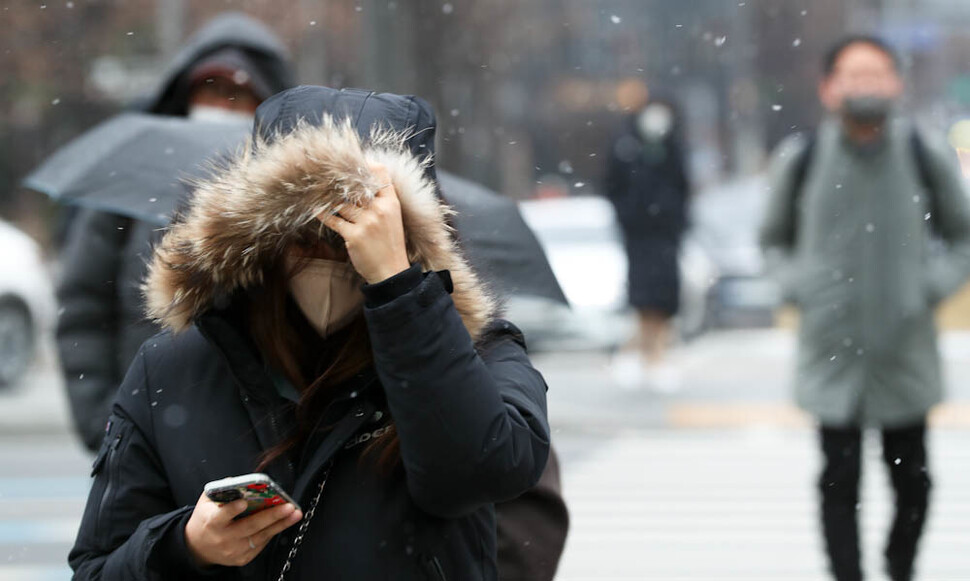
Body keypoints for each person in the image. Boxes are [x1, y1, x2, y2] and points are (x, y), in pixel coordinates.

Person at [68, 85, 551, 581]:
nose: (327, 255)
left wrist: (398, 288)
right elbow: (97, 568)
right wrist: (186, 546)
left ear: (406, 236)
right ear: (261, 236)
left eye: (352, 236)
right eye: (307, 232)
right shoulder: (173, 367)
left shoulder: (478, 354)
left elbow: (476, 473)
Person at [760, 35, 970, 581]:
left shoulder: (924, 155)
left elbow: (963, 235)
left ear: (897, 84)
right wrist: (798, 285)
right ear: (829, 88)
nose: (865, 86)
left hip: (905, 352)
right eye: (853, 75)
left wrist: (929, 286)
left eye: (876, 74)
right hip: (831, 354)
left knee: (914, 483)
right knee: (838, 483)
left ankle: (900, 569)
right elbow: (772, 240)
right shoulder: (801, 159)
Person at [56, 12, 295, 452]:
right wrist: (103, 420)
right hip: (142, 430)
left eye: (237, 94)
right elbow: (85, 303)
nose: (222, 108)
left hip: (255, 436)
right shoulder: (130, 174)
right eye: (212, 90)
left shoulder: (291, 196)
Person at [605, 98, 690, 391]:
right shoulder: (626, 148)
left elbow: (683, 189)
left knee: (664, 301)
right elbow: (613, 188)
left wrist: (674, 221)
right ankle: (640, 356)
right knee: (643, 300)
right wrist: (631, 215)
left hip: (665, 238)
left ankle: (656, 356)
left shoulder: (672, 148)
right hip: (639, 238)